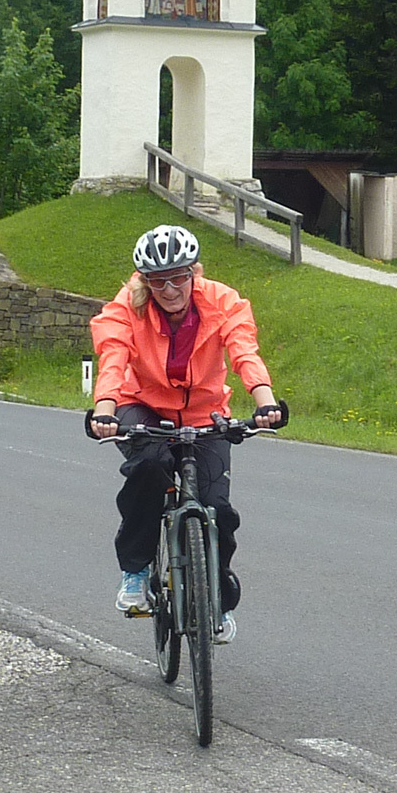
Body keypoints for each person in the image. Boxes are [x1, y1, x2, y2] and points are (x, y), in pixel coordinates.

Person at [88, 224, 283, 643]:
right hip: (143, 406)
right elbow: (113, 355)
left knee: (217, 508)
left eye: (178, 277)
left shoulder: (222, 301)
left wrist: (264, 400)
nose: (170, 289)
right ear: (145, 281)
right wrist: (104, 409)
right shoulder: (128, 308)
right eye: (158, 281)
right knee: (149, 467)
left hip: (205, 413)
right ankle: (136, 571)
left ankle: (216, 600)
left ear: (195, 272)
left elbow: (243, 349)